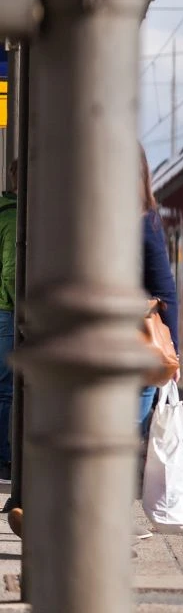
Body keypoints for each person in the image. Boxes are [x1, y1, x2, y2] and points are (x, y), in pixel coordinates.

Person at [138, 148, 178, 541]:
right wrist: (173, 351)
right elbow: (165, 291)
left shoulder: (72, 212)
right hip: (138, 346)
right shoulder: (145, 219)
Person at [0, 162, 17, 482]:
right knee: (6, 389)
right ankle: (4, 459)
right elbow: (13, 273)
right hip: (9, 310)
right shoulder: (15, 216)